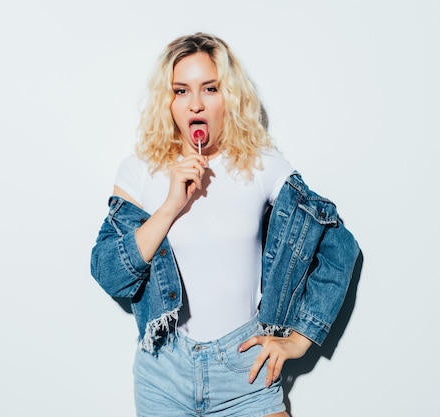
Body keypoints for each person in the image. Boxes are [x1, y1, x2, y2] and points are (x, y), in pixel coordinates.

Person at [90, 32, 359, 417]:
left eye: (210, 89)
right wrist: (170, 206)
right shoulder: (140, 170)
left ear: (228, 97)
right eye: (181, 91)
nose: (195, 104)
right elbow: (111, 275)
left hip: (245, 372)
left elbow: (338, 244)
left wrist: (299, 340)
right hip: (163, 374)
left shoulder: (260, 164)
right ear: (167, 101)